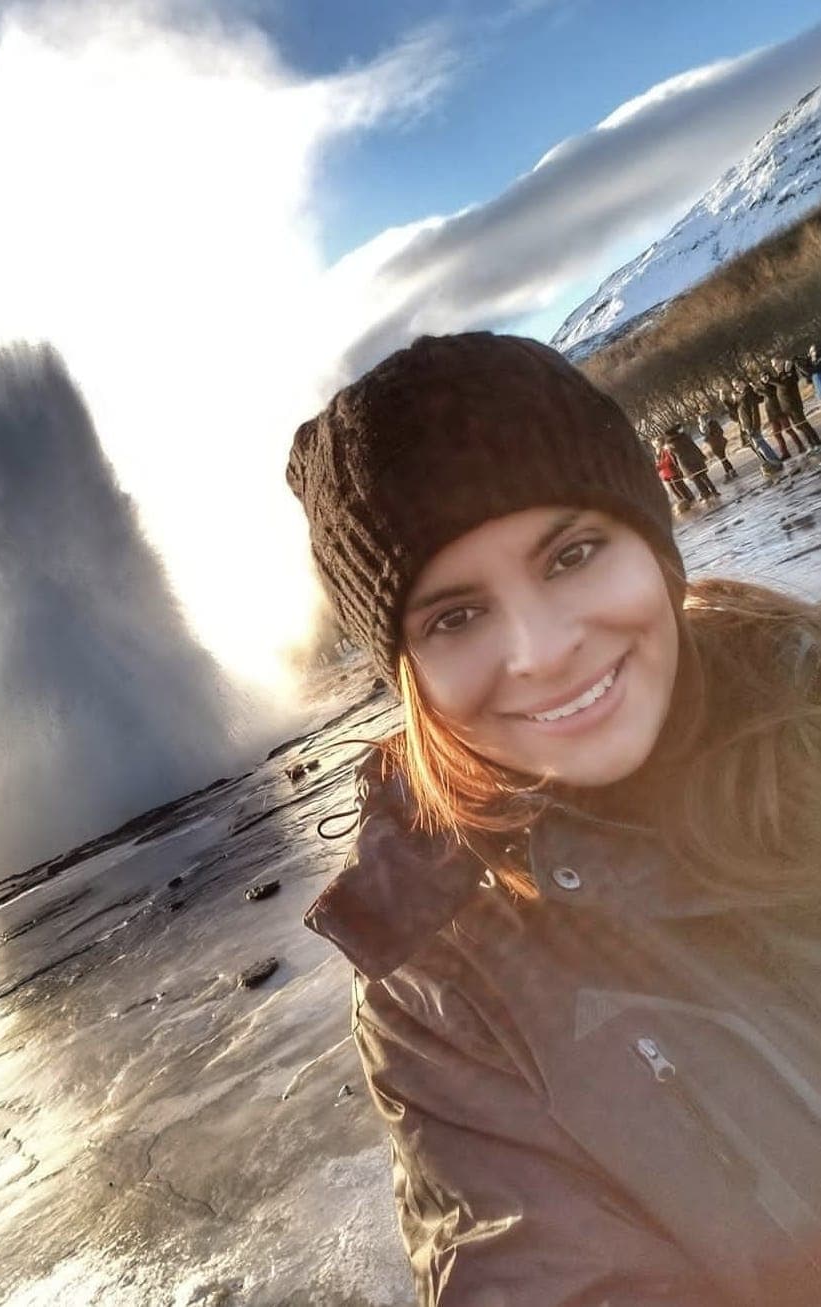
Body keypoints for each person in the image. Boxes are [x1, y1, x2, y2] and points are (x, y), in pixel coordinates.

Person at [287, 332, 821, 1307]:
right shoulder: (443, 1001)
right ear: (406, 675)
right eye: (454, 617)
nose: (542, 649)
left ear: (653, 543)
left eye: (573, 554)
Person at [772, 355, 821, 451]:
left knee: (803, 424)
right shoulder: (781, 374)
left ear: (781, 361)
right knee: (799, 426)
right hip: (786, 406)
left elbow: (787, 384)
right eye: (773, 366)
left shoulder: (789, 371)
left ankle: (816, 442)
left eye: (776, 364)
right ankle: (811, 443)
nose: (775, 367)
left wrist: (774, 378)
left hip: (794, 404)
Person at [732, 376, 782, 469]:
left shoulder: (748, 393)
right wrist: (728, 401)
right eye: (734, 387)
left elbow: (754, 411)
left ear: (742, 382)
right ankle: (772, 462)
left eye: (737, 385)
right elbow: (735, 412)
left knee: (761, 444)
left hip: (752, 425)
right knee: (759, 445)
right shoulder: (741, 396)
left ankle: (775, 462)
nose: (736, 388)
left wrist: (754, 426)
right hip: (746, 426)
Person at [663, 424, 719, 501]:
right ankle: (714, 491)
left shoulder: (670, 445)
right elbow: (694, 446)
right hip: (695, 458)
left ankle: (705, 494)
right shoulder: (685, 437)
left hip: (685, 463)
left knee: (696, 479)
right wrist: (701, 455)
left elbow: (673, 458)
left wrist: (677, 467)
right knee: (704, 476)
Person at [757, 368, 801, 458]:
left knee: (789, 430)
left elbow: (770, 394)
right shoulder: (763, 388)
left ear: (769, 376)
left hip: (780, 412)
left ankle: (800, 446)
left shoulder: (773, 384)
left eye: (765, 376)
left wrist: (760, 391)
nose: (764, 379)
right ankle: (785, 453)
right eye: (762, 378)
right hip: (772, 416)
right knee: (777, 434)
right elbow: (761, 399)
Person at [697, 412, 737, 480]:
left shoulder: (708, 425)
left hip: (717, 444)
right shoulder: (706, 425)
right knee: (723, 458)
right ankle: (730, 471)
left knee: (722, 458)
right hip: (716, 443)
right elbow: (719, 431)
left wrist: (712, 437)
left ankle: (729, 472)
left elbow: (718, 432)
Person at [656, 439, 693, 508]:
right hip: (665, 474)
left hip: (671, 471)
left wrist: (659, 466)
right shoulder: (658, 452)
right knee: (673, 489)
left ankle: (688, 499)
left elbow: (668, 460)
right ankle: (682, 501)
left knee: (679, 487)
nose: (656, 445)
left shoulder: (666, 449)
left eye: (657, 443)